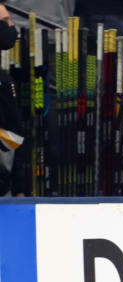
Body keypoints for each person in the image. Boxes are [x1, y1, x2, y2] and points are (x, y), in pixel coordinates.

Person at [0, 0, 27, 196]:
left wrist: (19, 188)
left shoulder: (5, 79)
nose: (12, 26)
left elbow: (15, 136)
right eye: (5, 20)